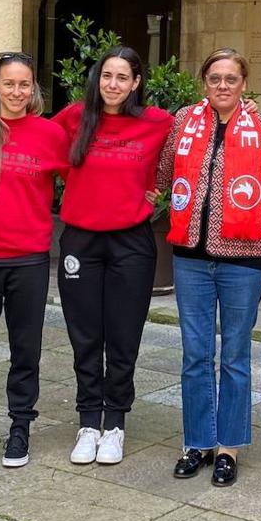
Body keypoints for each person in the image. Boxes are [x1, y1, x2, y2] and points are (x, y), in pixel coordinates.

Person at [157, 48, 261, 486]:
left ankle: (228, 447)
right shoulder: (183, 122)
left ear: (244, 83)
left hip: (244, 261)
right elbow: (163, 175)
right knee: (195, 355)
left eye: (232, 78)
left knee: (234, 356)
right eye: (215, 78)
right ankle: (197, 442)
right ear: (204, 83)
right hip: (191, 259)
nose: (223, 86)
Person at [53, 46, 172, 465]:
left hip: (131, 244)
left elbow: (192, 146)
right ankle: (89, 421)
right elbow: (29, 137)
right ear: (97, 78)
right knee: (85, 336)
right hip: (81, 242)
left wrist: (156, 186)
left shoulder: (157, 122)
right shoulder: (72, 118)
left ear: (137, 83)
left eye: (123, 77)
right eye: (107, 76)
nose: (113, 85)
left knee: (123, 337)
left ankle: (116, 422)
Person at [0, 53, 69, 469]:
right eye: (9, 84)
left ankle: (20, 425)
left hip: (29, 258)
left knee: (26, 348)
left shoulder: (49, 133)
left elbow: (76, 178)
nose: (17, 92)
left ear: (33, 88)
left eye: (24, 85)